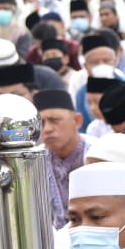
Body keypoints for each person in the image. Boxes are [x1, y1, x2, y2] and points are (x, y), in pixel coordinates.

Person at [36, 88, 93, 228]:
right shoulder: (35, 161)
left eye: (54, 120)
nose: (47, 129)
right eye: (41, 123)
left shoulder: (97, 152)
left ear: (77, 121)